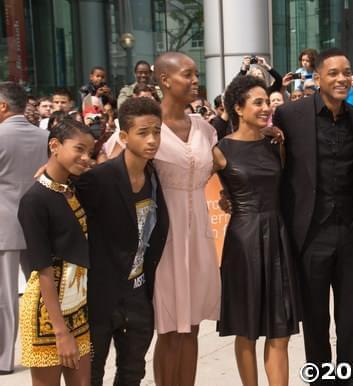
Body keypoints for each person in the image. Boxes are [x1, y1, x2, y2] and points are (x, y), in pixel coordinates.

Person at [273, 48, 353, 385]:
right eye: (333, 73)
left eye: (347, 72)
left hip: (352, 232)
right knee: (315, 320)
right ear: (317, 79)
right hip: (310, 234)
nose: (342, 78)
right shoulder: (290, 116)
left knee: (352, 320)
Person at [213, 74, 300, 386]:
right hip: (243, 242)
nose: (266, 108)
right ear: (238, 108)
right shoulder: (220, 150)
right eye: (258, 102)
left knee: (281, 329)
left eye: (268, 102)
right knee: (246, 329)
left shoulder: (276, 144)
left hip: (278, 237)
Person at [76, 97, 169, 386]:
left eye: (157, 131)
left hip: (139, 292)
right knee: (92, 374)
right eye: (143, 133)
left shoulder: (155, 175)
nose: (152, 140)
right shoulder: (99, 179)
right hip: (101, 294)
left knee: (133, 372)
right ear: (124, 136)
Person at [151, 52, 220, 386]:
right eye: (187, 75)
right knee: (168, 328)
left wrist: (266, 136)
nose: (195, 81)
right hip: (163, 238)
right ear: (165, 80)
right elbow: (113, 171)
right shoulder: (145, 127)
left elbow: (228, 161)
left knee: (191, 326)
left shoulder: (204, 129)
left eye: (197, 75)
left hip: (199, 237)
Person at [17, 118, 94, 386]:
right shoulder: (34, 200)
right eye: (79, 149)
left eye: (90, 152)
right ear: (55, 145)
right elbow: (42, 268)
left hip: (79, 308)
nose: (86, 158)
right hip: (46, 315)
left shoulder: (75, 188)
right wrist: (61, 332)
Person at [0, 82, 49, 376]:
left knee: (5, 297)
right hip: (38, 221)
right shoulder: (44, 135)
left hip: (4, 223)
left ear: (4, 106)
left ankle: (3, 358)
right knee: (43, 291)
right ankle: (45, 348)